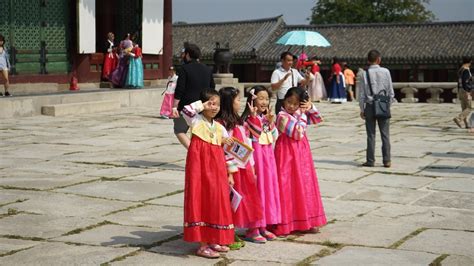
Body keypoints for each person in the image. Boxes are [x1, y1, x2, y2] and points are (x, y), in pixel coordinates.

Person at [181, 89, 235, 259]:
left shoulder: (220, 127)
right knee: (201, 198)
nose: (214, 107)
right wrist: (200, 105)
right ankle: (203, 244)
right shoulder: (195, 121)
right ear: (203, 104)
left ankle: (214, 238)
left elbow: (227, 153)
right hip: (199, 169)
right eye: (211, 103)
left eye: (217, 104)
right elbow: (185, 111)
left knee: (216, 199)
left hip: (217, 170)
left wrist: (230, 173)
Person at [271, 87, 326, 236]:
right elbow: (297, 133)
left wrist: (310, 106)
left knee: (305, 183)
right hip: (286, 153)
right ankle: (287, 221)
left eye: (295, 104)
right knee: (288, 184)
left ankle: (308, 220)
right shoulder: (282, 116)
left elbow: (317, 118)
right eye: (289, 102)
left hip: (301, 153)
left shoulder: (297, 113)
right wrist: (302, 114)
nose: (291, 106)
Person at [216, 87, 264, 246]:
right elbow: (223, 149)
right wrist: (230, 169)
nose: (239, 103)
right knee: (232, 200)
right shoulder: (221, 124)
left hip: (246, 166)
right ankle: (227, 230)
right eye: (237, 100)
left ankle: (252, 229)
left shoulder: (239, 120)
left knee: (249, 198)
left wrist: (254, 117)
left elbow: (255, 135)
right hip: (232, 168)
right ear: (229, 103)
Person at [241, 85, 279, 241]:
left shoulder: (266, 117)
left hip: (268, 156)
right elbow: (252, 136)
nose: (264, 101)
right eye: (260, 98)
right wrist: (255, 118)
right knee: (257, 189)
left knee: (267, 188)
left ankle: (263, 225)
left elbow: (273, 135)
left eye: (266, 98)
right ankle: (253, 227)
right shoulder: (247, 119)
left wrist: (270, 122)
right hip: (256, 157)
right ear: (252, 100)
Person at [172, 43, 216, 149]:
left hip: (187, 106)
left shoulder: (184, 69)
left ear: (187, 55)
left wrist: (174, 106)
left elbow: (180, 89)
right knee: (200, 133)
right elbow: (212, 88)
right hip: (203, 105)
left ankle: (193, 151)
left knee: (179, 130)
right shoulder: (207, 69)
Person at [359, 50, 394, 168]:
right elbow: (390, 92)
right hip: (383, 105)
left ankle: (370, 160)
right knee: (385, 134)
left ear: (368, 60)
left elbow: (362, 94)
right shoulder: (386, 72)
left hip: (369, 106)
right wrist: (387, 106)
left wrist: (362, 109)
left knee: (371, 134)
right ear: (379, 59)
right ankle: (387, 160)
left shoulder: (365, 73)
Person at [453, 57, 472, 129]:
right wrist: (467, 91)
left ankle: (466, 123)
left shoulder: (460, 70)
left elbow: (459, 82)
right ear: (469, 62)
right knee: (470, 107)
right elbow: (465, 82)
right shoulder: (466, 70)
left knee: (464, 107)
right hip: (465, 90)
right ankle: (458, 118)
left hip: (460, 90)